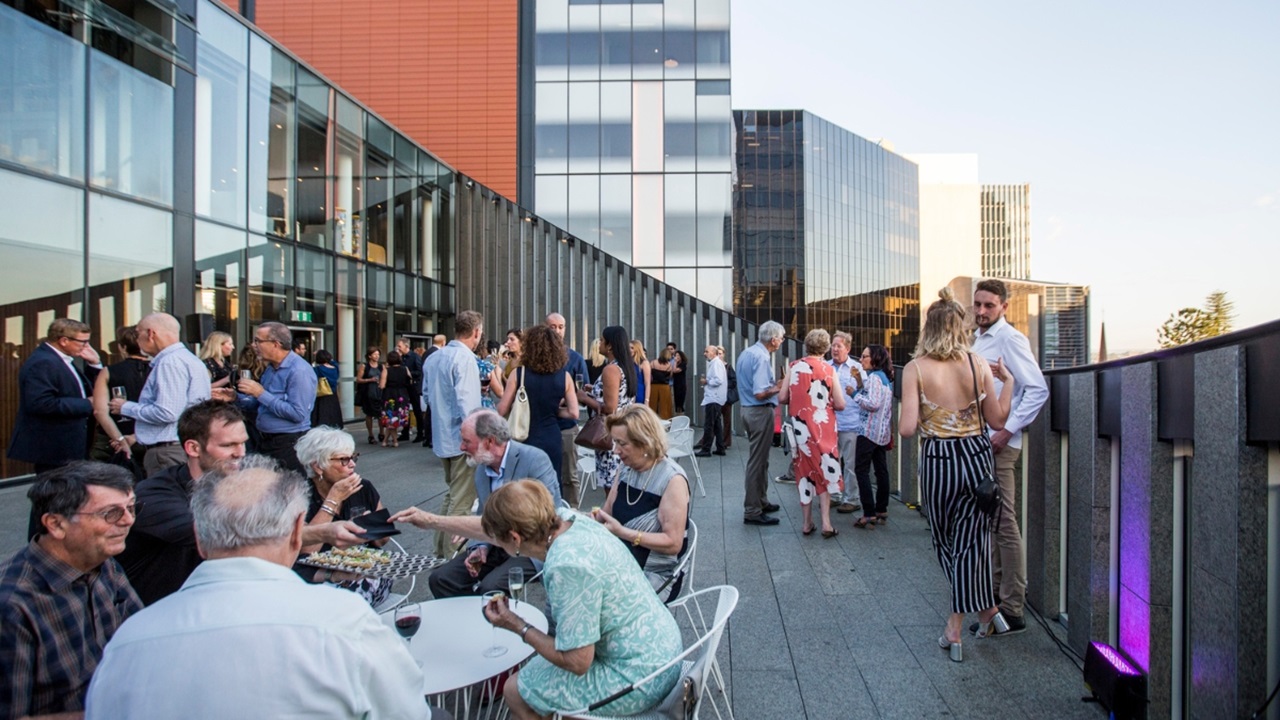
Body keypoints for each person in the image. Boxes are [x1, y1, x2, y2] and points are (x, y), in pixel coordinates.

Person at [84, 458, 439, 719]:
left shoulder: (129, 640)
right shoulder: (343, 621)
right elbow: (408, 712)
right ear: (298, 532)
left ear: (200, 539)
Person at [479, 481, 683, 719]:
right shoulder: (574, 521)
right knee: (537, 675)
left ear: (514, 538)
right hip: (663, 648)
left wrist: (517, 625)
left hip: (641, 677)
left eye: (498, 540)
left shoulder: (566, 565)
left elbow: (577, 662)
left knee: (514, 690)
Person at [899, 287, 1015, 662]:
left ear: (928, 328)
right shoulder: (977, 363)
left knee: (946, 541)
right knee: (973, 541)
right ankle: (988, 611)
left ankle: (954, 626)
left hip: (939, 461)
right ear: (960, 327)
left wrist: (932, 415)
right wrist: (1009, 384)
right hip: (977, 459)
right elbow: (997, 420)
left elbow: (906, 428)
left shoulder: (915, 369)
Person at [0, 462, 142, 718]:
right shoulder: (12, 604)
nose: (128, 520)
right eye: (110, 513)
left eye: (131, 508)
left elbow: (143, 636)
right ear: (56, 524)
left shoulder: (104, 562)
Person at [392, 409, 558, 598]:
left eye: (466, 441)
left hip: (530, 546)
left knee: (490, 588)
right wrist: (480, 547)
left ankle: (497, 621)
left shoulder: (534, 459)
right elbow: (483, 514)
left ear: (489, 441)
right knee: (441, 579)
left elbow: (548, 514)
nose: (461, 447)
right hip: (496, 543)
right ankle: (471, 622)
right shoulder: (481, 468)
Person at [970, 278, 1049, 636]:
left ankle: (1014, 608)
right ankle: (999, 603)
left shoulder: (1010, 338)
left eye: (989, 305)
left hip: (1001, 445)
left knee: (1004, 522)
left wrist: (1007, 430)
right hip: (984, 443)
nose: (982, 311)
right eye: (979, 304)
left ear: (1003, 306)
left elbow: (1037, 388)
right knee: (994, 523)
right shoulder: (979, 339)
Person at [116, 401, 248, 605]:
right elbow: (217, 534)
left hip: (208, 605)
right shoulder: (154, 494)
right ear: (193, 448)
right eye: (228, 445)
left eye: (242, 443)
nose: (240, 453)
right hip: (153, 615)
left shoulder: (234, 487)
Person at [591, 404, 692, 600]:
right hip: (621, 562)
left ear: (644, 442)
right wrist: (585, 521)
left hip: (657, 573)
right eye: (615, 442)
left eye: (622, 444)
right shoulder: (626, 468)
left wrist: (623, 532)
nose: (616, 451)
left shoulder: (672, 479)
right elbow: (607, 512)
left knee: (596, 600)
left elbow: (673, 543)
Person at [295, 427, 392, 606]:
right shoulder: (299, 496)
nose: (352, 464)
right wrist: (333, 499)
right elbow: (307, 550)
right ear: (318, 466)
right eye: (343, 460)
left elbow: (383, 540)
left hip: (364, 568)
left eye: (353, 457)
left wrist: (370, 527)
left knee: (352, 595)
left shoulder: (363, 487)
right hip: (319, 573)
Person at [110, 313, 212, 476]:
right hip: (183, 445)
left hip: (168, 450)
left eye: (138, 333)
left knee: (167, 498)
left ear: (150, 334)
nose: (136, 340)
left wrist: (125, 407)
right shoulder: (189, 359)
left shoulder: (170, 362)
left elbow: (167, 412)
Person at [422, 310, 485, 557]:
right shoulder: (464, 358)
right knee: (461, 502)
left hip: (442, 436)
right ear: (476, 332)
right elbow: (468, 404)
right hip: (462, 440)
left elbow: (426, 396)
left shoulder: (435, 358)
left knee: (451, 497)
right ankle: (451, 555)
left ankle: (440, 550)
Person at [8, 318, 102, 478]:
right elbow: (41, 403)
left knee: (69, 496)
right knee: (56, 497)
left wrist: (95, 364)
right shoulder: (43, 362)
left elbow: (82, 389)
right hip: (55, 447)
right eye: (83, 342)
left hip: (68, 446)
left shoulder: (61, 359)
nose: (87, 346)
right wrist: (87, 404)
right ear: (64, 340)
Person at [223, 321, 317, 473]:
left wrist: (261, 393)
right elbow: (261, 404)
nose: (254, 346)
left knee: (287, 492)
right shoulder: (271, 368)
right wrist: (235, 397)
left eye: (258, 341)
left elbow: (298, 414)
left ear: (275, 344)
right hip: (265, 440)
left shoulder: (299, 371)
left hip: (288, 443)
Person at [778, 329, 846, 538]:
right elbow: (841, 404)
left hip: (801, 428)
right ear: (825, 348)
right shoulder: (828, 369)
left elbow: (782, 398)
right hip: (824, 428)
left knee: (804, 471)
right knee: (824, 469)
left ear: (806, 345)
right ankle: (826, 523)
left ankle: (807, 523)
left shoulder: (794, 367)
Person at [496, 325, 577, 480]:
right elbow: (574, 412)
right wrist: (555, 410)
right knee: (550, 484)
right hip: (551, 436)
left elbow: (501, 410)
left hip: (523, 436)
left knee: (522, 487)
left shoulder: (518, 374)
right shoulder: (565, 377)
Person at [737, 320, 787, 525]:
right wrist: (779, 387)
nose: (782, 342)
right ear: (774, 339)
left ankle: (761, 500)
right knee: (757, 462)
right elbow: (759, 393)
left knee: (761, 459)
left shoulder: (748, 353)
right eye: (781, 338)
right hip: (758, 412)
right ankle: (752, 510)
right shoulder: (761, 357)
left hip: (748, 411)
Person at [576, 326, 636, 490]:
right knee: (621, 485)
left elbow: (610, 408)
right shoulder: (625, 367)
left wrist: (583, 398)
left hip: (610, 434)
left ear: (610, 346)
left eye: (602, 340)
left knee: (611, 489)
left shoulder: (610, 369)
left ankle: (612, 515)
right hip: (624, 431)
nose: (599, 344)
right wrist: (593, 390)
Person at [90, 326, 151, 467]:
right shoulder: (157, 370)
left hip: (112, 439)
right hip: (149, 438)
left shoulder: (108, 372)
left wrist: (119, 438)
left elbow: (99, 411)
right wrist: (136, 437)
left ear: (122, 347)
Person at [546, 312, 590, 506]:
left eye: (561, 327)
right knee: (542, 475)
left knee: (569, 476)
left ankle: (573, 516)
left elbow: (583, 391)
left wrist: (568, 398)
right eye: (553, 327)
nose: (557, 331)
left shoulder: (575, 358)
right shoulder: (534, 357)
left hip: (566, 426)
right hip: (541, 425)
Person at [852, 344, 895, 528]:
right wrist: (860, 384)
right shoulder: (886, 378)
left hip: (868, 431)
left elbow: (873, 403)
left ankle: (869, 513)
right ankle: (881, 508)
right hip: (882, 432)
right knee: (881, 470)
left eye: (864, 356)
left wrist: (854, 394)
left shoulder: (874, 378)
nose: (861, 360)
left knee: (861, 470)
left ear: (875, 358)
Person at [826, 331, 862, 512]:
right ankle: (834, 495)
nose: (834, 349)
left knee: (850, 463)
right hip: (829, 423)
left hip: (850, 423)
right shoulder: (825, 367)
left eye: (838, 346)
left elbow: (864, 393)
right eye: (833, 345)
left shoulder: (857, 369)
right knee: (830, 461)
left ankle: (852, 498)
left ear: (847, 348)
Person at [695, 344, 727, 457]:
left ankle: (706, 449)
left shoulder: (716, 363)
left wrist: (707, 382)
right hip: (716, 398)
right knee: (717, 424)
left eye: (706, 351)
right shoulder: (716, 363)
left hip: (713, 397)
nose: (705, 354)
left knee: (709, 424)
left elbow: (718, 380)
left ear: (713, 352)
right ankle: (720, 447)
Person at [378, 350, 413, 448]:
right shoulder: (405, 368)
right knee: (395, 419)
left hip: (390, 395)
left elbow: (382, 385)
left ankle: (394, 441)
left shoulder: (386, 370)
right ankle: (387, 441)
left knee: (391, 419)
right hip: (402, 395)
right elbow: (410, 381)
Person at [396, 337, 427, 443]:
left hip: (413, 386)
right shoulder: (400, 357)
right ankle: (405, 432)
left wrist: (409, 373)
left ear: (406, 346)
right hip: (404, 387)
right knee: (405, 410)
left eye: (399, 346)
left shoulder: (415, 357)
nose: (398, 348)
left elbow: (419, 372)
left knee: (417, 410)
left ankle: (420, 433)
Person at [355, 346, 383, 444]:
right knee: (369, 414)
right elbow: (358, 379)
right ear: (369, 356)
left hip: (379, 392)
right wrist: (369, 380)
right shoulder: (364, 366)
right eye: (375, 354)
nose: (377, 356)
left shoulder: (381, 366)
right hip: (368, 392)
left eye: (378, 354)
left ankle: (381, 432)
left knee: (380, 414)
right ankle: (370, 435)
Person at [310, 349, 343, 429]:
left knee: (322, 414)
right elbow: (334, 362)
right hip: (333, 394)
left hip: (322, 394)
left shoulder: (318, 369)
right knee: (333, 413)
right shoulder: (335, 368)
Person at [648, 345, 676, 420]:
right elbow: (670, 375)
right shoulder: (669, 365)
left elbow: (649, 373)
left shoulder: (653, 362)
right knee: (665, 405)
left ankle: (651, 420)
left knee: (652, 404)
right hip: (664, 386)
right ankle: (666, 421)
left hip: (653, 386)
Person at [718, 346, 738, 448]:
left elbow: (735, 381)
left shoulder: (728, 367)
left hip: (726, 397)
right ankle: (706, 441)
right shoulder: (714, 366)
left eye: (720, 353)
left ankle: (726, 441)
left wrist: (725, 385)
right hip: (716, 397)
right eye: (717, 353)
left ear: (724, 354)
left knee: (727, 420)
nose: (719, 355)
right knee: (713, 420)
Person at [630, 340, 651, 406]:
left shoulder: (644, 363)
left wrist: (646, 400)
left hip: (640, 392)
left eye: (632, 348)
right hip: (629, 392)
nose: (630, 350)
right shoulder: (628, 362)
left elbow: (647, 383)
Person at [671, 348, 689, 414]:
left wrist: (675, 362)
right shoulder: (675, 364)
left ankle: (680, 414)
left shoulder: (683, 364)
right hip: (675, 384)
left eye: (678, 355)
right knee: (675, 402)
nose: (677, 357)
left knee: (679, 402)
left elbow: (675, 371)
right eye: (676, 355)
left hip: (681, 386)